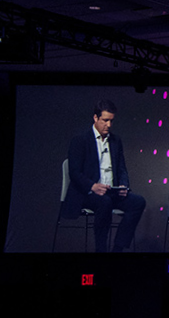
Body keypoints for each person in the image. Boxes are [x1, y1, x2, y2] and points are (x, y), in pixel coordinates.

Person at [62, 99, 146, 252]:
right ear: (95, 118)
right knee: (104, 202)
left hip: (110, 192)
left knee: (138, 202)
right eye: (105, 120)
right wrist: (93, 186)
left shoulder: (115, 141)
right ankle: (101, 250)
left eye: (111, 121)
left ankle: (117, 248)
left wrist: (123, 185)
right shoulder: (80, 140)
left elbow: (121, 168)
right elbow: (74, 173)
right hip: (87, 193)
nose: (108, 125)